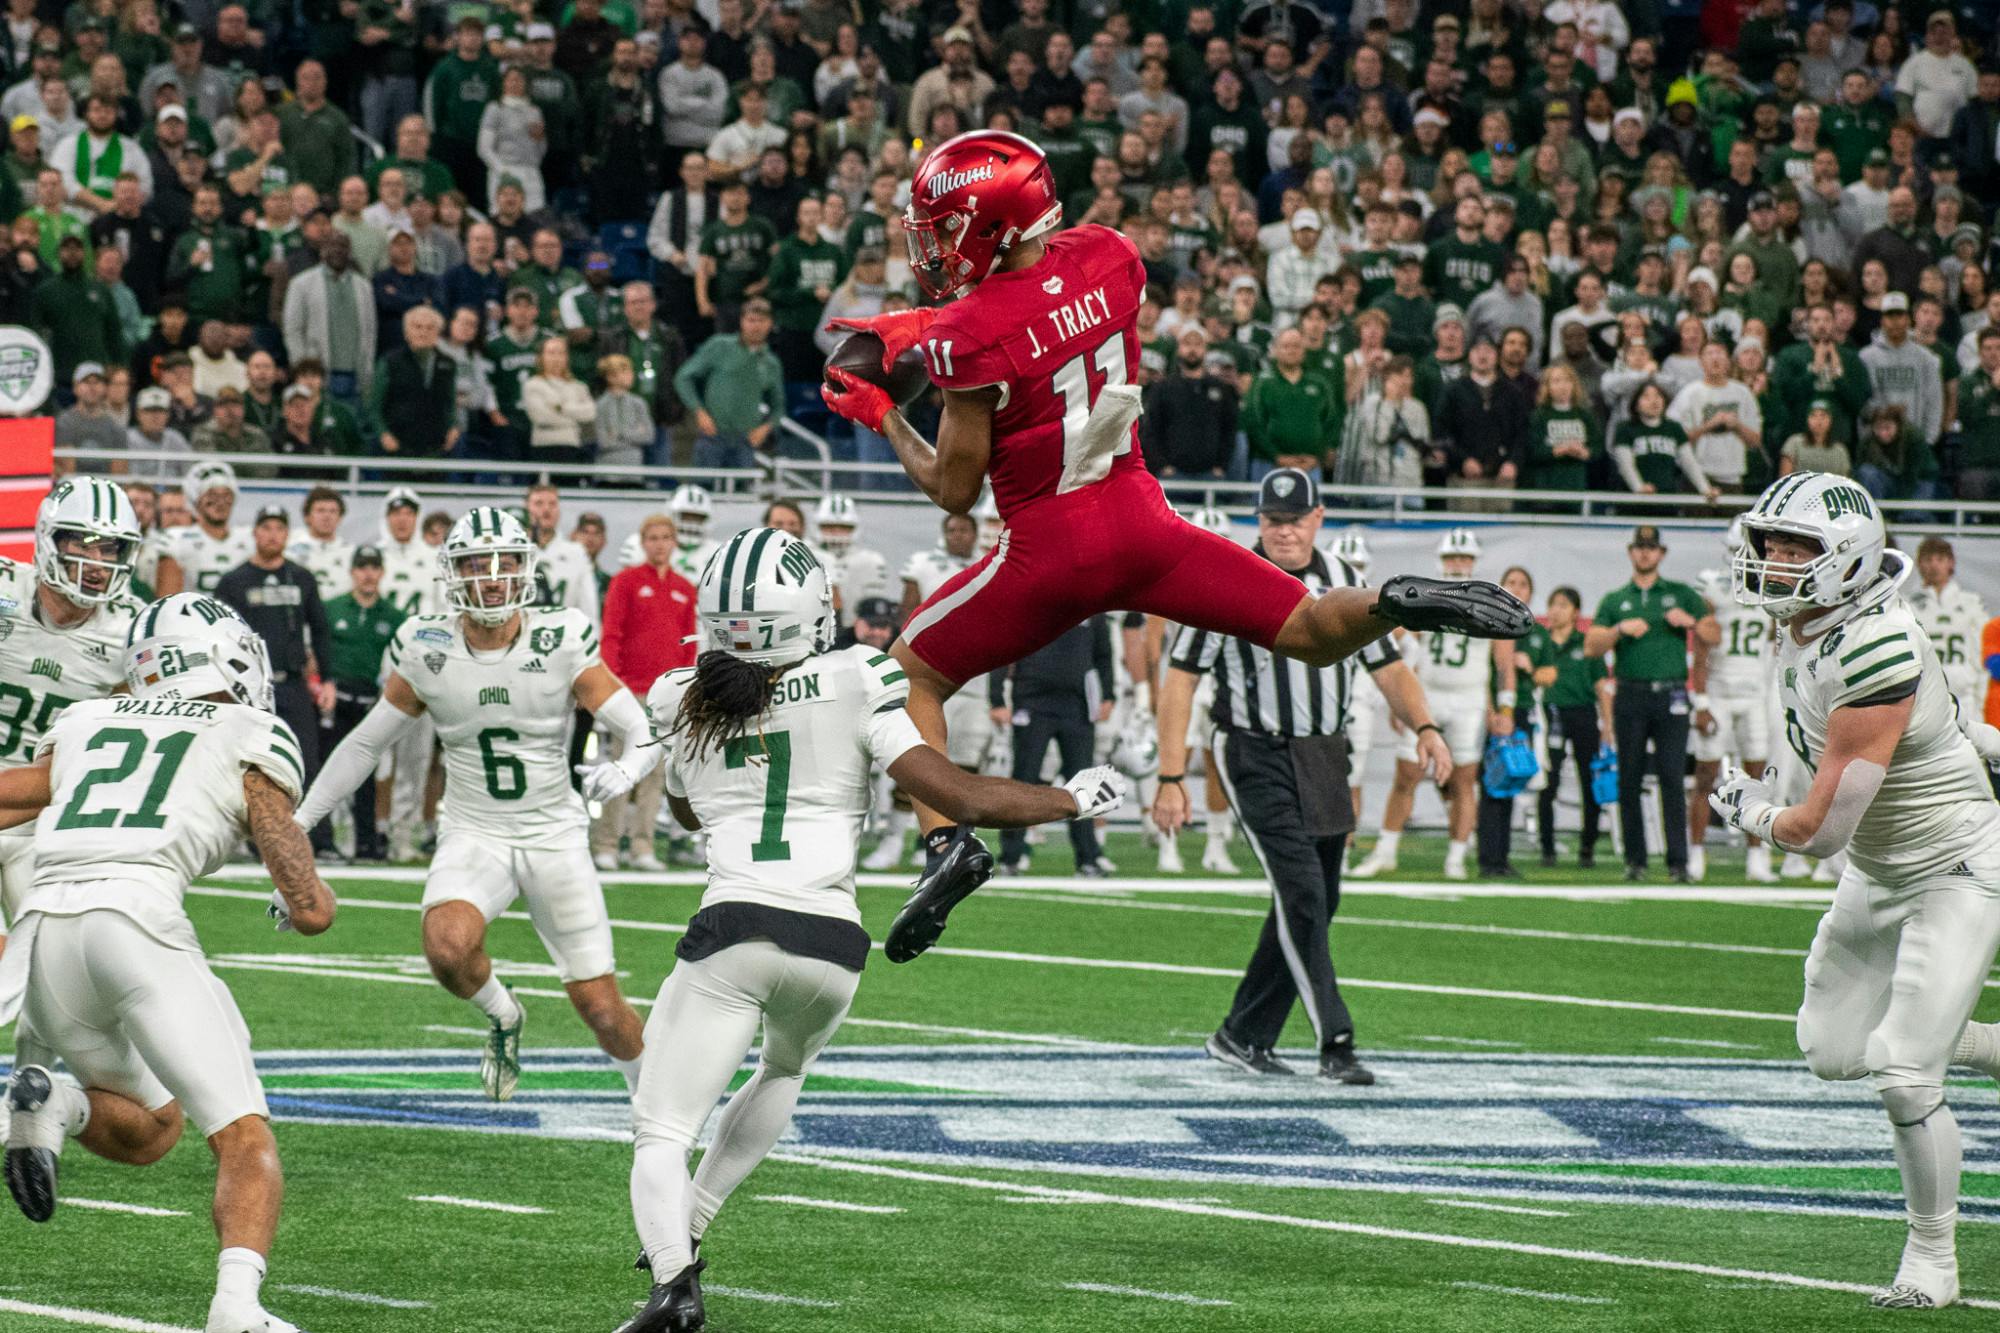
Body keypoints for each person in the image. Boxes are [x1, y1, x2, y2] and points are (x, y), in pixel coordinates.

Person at [818, 130, 1529, 960]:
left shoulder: (965, 335)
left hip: (1047, 549)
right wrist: (932, 328)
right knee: (1304, 626)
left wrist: (883, 412)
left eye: (945, 226)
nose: (932, 242)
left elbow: (953, 486)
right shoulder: (1113, 256)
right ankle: (1393, 601)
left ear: (991, 226)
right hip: (1143, 522)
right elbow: (1038, 312)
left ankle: (946, 847)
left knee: (909, 678)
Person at [607, 526, 1124, 1331]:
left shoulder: (680, 696)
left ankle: (674, 1282)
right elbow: (957, 791)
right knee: (781, 1067)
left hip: (736, 927)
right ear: (813, 611)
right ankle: (693, 1224)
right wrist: (1072, 797)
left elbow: (682, 805)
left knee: (660, 1128)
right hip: (835, 947)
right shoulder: (856, 675)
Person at [0, 593, 334, 1333]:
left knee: (154, 1126)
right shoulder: (248, 727)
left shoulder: (90, 718)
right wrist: (311, 897)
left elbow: (10, 795)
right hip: (137, 922)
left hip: (44, 933)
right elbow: (310, 907)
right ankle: (237, 1308)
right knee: (244, 1136)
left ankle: (52, 1101)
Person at [1715, 470, 2000, 1311]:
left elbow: (1819, 833)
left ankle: (1933, 1256)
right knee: (1833, 1049)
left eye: (1795, 547)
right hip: (1881, 870)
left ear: (1845, 559)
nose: (1772, 561)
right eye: (1770, 544)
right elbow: (1819, 749)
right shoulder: (1805, 624)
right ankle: (1978, 1042)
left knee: (1903, 1071)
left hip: (1956, 865)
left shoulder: (1877, 643)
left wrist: (1751, 811)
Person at [295, 508, 652, 1099]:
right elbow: (364, 743)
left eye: (504, 563)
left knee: (602, 1009)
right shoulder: (426, 646)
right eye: (474, 565)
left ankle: (660, 1109)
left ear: (525, 569)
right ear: (452, 574)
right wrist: (300, 825)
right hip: (474, 829)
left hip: (552, 835)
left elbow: (638, 727)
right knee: (446, 947)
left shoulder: (559, 637)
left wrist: (630, 765)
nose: (490, 577)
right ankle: (504, 1013)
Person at [1157, 469, 1442, 1081]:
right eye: (1272, 519)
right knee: (1303, 894)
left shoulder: (1343, 581)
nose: (1283, 531)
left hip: (1324, 753)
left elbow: (1387, 666)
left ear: (1318, 517)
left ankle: (1241, 1035)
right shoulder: (1225, 574)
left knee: (1317, 898)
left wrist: (1426, 726)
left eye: (1295, 519)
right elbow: (1181, 676)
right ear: (1258, 521)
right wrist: (1171, 774)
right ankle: (1335, 1042)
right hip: (1253, 751)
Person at [0, 477, 144, 943]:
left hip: (43, 818)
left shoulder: (133, 632)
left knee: (60, 968)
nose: (96, 563)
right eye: (83, 544)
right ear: (48, 540)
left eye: (110, 550)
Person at [1351, 528, 1515, 882]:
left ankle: (1455, 856)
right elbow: (1402, 644)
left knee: (1464, 780)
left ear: (1473, 562)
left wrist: (1504, 708)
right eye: (1452, 558)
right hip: (1428, 695)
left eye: (1463, 559)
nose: (1457, 565)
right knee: (1406, 774)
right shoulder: (1425, 595)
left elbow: (1504, 663)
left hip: (1469, 698)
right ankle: (1386, 850)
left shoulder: (1491, 600)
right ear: (1441, 561)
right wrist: (1403, 705)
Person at [1585, 525, 1713, 883]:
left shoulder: (1680, 594)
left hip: (1672, 694)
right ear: (1631, 553)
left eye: (1651, 548)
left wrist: (1689, 623)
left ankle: (1678, 861)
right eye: (1640, 548)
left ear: (1661, 553)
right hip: (1631, 693)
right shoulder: (1616, 599)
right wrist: (1618, 631)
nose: (1645, 554)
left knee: (1673, 777)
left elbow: (1713, 633)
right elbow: (1591, 646)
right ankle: (1636, 860)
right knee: (1629, 777)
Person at [213, 503, 336, 854]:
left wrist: (327, 679)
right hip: (250, 689)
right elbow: (219, 635)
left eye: (279, 528)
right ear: (255, 533)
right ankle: (251, 841)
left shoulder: (301, 577)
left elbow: (321, 630)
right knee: (250, 763)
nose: (272, 535)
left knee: (307, 760)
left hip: (293, 682)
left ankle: (319, 839)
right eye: (265, 527)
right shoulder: (234, 581)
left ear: (287, 534)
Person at [592, 513, 696, 873]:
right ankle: (607, 843)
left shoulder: (685, 588)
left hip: (666, 696)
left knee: (656, 775)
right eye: (653, 537)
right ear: (642, 541)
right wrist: (612, 684)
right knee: (624, 767)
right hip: (630, 692)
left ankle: (643, 845)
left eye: (666, 536)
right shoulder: (625, 582)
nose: (660, 543)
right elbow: (611, 635)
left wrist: (684, 686)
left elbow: (687, 644)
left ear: (674, 542)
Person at [1689, 520, 1781, 884]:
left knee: (1755, 779)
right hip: (1719, 693)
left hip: (1755, 695)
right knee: (1705, 775)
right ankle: (1696, 852)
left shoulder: (1772, 591)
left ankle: (1756, 855)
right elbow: (1700, 648)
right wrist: (1699, 701)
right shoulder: (1712, 585)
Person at [991, 615, 1115, 876]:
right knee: (1024, 780)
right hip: (1033, 702)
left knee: (1083, 783)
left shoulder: (1093, 607)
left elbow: (1103, 655)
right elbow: (1002, 649)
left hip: (1078, 706)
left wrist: (1108, 694)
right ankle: (1010, 856)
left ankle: (1088, 857)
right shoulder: (1033, 599)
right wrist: (997, 698)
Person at [321, 545, 405, 861]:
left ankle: (367, 843)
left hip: (372, 701)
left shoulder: (394, 616)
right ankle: (323, 839)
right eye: (362, 567)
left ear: (382, 572)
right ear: (352, 571)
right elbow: (315, 649)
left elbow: (403, 660)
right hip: (334, 699)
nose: (368, 573)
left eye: (373, 567)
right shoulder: (333, 608)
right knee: (326, 770)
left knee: (366, 776)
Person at [1531, 585, 1611, 870]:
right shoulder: (1541, 642)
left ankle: (1587, 846)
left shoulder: (1586, 643)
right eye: (1552, 604)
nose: (1556, 610)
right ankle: (1547, 847)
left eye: (1563, 605)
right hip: (1550, 714)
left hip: (1583, 714)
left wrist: (1608, 727)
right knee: (1547, 783)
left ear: (1576, 612)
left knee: (1589, 783)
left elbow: (1602, 688)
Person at [1906, 536, 1989, 728]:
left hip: (1966, 698)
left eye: (1940, 559)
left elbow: (1981, 654)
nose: (1934, 566)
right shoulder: (1907, 606)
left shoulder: (1971, 603)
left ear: (1950, 563)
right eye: (1928, 559)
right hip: (1924, 699)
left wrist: (1981, 700)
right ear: (1919, 564)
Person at [154, 458, 249, 596]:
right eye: (212, 495)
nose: (220, 502)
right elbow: (167, 600)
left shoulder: (250, 538)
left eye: (226, 495)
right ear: (196, 499)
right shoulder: (176, 540)